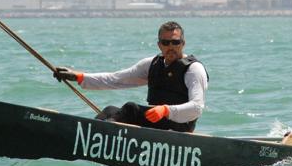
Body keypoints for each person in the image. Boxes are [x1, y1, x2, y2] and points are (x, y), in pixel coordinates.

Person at [53, 21, 208, 133]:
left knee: (130, 108)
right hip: (155, 123)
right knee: (110, 110)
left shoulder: (193, 69)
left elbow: (197, 107)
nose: (171, 47)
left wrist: (166, 110)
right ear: (159, 45)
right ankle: (88, 135)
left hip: (179, 127)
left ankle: (98, 135)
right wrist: (79, 77)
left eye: (175, 42)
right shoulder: (151, 64)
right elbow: (116, 79)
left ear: (183, 43)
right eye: (166, 42)